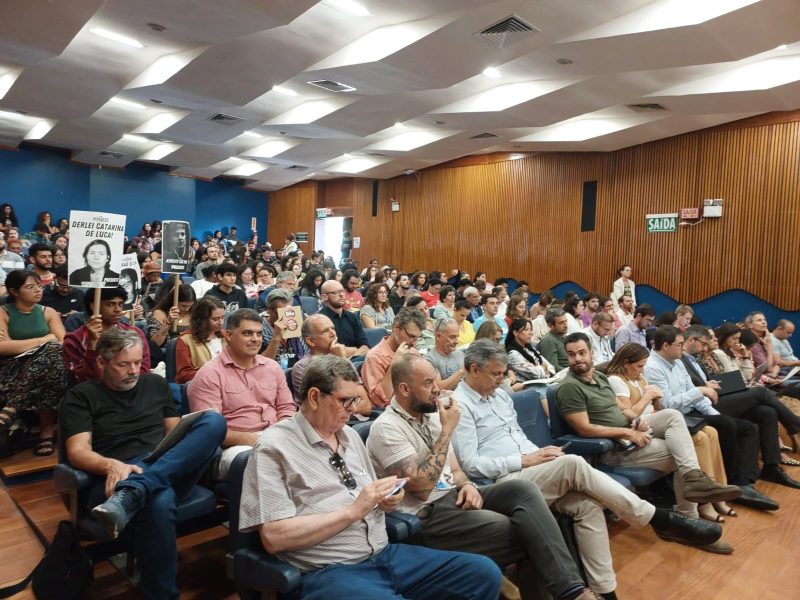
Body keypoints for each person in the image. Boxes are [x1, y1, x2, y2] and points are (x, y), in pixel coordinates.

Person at [453, 339, 725, 590]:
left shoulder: (500, 396)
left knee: (588, 506)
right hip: (503, 482)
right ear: (474, 370)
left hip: (532, 468)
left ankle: (604, 591)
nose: (502, 380)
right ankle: (659, 518)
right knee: (573, 463)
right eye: (496, 374)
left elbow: (518, 438)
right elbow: (471, 464)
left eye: (503, 374)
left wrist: (542, 453)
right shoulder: (459, 405)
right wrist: (526, 459)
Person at [238, 354, 502, 600]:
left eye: (355, 399)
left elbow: (367, 497)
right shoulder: (274, 447)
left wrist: (385, 500)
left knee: (482, 573)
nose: (353, 409)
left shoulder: (350, 435)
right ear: (315, 397)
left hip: (385, 555)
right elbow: (274, 538)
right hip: (329, 570)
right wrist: (354, 511)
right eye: (345, 400)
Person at [368, 353, 605, 600]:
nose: (437, 389)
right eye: (428, 383)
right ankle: (572, 592)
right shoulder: (386, 428)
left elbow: (456, 471)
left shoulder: (431, 416)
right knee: (529, 532)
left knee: (523, 490)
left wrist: (467, 485)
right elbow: (422, 488)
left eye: (435, 380)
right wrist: (447, 430)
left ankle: (571, 591)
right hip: (425, 515)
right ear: (405, 389)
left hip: (453, 496)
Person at [61, 328, 226, 598]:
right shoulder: (81, 396)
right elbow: (77, 451)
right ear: (101, 362)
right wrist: (111, 465)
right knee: (159, 499)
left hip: (163, 466)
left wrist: (160, 466)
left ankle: (137, 489)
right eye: (123, 364)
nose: (133, 371)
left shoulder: (156, 384)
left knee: (214, 421)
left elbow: (175, 436)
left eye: (137, 362)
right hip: (114, 480)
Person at [605, 342, 737, 525]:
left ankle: (700, 502)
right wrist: (647, 396)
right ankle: (696, 493)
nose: (642, 371)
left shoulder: (639, 378)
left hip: (652, 423)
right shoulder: (616, 380)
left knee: (703, 437)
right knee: (675, 419)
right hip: (636, 428)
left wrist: (656, 400)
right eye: (639, 366)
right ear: (626, 363)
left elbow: (656, 409)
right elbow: (629, 414)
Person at [679, 324, 800, 489]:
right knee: (761, 393)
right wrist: (707, 387)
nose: (707, 345)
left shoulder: (700, 358)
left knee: (767, 412)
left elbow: (730, 379)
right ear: (691, 340)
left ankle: (770, 467)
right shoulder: (684, 360)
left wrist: (743, 362)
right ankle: (795, 425)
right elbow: (693, 389)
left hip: (719, 396)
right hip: (705, 406)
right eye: (705, 342)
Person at [188, 308, 295, 478]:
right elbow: (210, 432)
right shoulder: (209, 374)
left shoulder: (272, 367)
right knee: (267, 461)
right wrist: (258, 440)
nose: (255, 339)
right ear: (229, 335)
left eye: (259, 334)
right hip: (235, 448)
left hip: (275, 436)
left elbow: (286, 408)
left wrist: (279, 433)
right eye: (247, 333)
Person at [0, 270, 67, 456]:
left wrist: (15, 344)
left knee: (53, 356)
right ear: (14, 291)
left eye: (39, 286)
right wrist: (43, 339)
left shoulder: (48, 312)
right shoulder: (3, 312)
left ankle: (13, 407)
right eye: (30, 287)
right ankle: (46, 432)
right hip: (12, 368)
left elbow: (63, 343)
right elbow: (2, 348)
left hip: (45, 368)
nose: (38, 290)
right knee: (50, 357)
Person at [63, 286, 150, 384]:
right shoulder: (74, 340)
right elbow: (82, 380)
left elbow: (143, 372)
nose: (118, 309)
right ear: (93, 306)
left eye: (120, 304)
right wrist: (92, 346)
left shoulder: (135, 333)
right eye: (110, 304)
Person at [291, 314, 371, 416]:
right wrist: (341, 361)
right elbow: (321, 411)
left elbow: (365, 406)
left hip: (354, 420)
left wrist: (341, 360)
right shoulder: (303, 367)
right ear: (310, 341)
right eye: (325, 331)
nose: (333, 334)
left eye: (333, 328)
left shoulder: (341, 358)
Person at [362, 308, 425, 408]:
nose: (414, 343)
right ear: (396, 328)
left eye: (417, 338)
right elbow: (379, 402)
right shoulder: (374, 357)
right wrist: (394, 364)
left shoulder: (413, 352)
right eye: (411, 336)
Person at [175, 296, 226, 384]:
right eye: (215, 319)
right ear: (202, 319)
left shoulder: (226, 336)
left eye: (223, 317)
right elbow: (183, 375)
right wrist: (212, 374)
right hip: (204, 384)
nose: (221, 322)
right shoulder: (186, 340)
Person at [319, 279, 369, 357]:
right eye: (336, 292)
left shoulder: (352, 317)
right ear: (325, 297)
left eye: (342, 291)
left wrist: (349, 359)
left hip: (356, 361)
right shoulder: (320, 320)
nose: (341, 295)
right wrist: (355, 349)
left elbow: (365, 347)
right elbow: (331, 351)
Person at [260, 288, 307, 368]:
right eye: (281, 313)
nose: (286, 317)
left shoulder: (296, 319)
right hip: (272, 370)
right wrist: (276, 337)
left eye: (288, 312)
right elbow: (260, 364)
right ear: (269, 310)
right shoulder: (258, 327)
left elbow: (307, 354)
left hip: (298, 368)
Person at [505, 318, 556, 385]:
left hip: (544, 382)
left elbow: (551, 368)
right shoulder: (513, 354)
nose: (530, 333)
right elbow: (536, 375)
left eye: (531, 329)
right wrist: (543, 368)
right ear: (515, 333)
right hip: (528, 387)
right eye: (526, 330)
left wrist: (538, 368)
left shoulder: (530, 348)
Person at [425, 318, 466, 391]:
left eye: (457, 337)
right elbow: (436, 388)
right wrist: (460, 372)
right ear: (438, 336)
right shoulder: (430, 359)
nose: (456, 341)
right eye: (452, 337)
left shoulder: (460, 354)